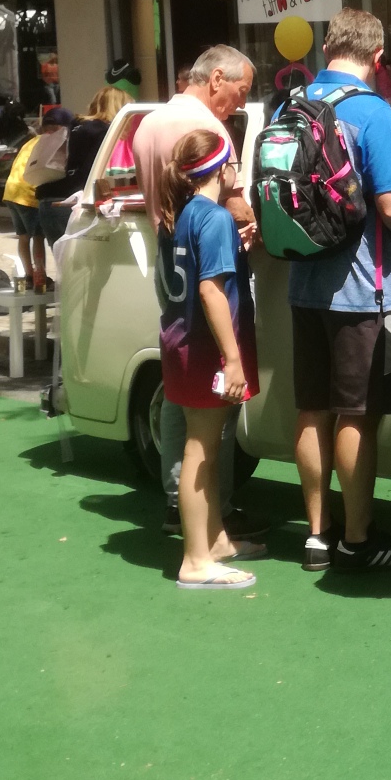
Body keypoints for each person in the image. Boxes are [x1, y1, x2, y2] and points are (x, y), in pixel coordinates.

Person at [290, 9, 391, 574]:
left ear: (327, 48)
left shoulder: (291, 105)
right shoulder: (374, 112)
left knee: (312, 410)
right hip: (360, 289)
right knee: (356, 415)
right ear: (376, 60)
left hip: (303, 284)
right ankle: (358, 537)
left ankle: (316, 536)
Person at [130, 45, 264, 550]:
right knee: (210, 421)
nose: (238, 102)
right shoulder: (207, 132)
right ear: (217, 79)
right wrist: (245, 223)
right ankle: (213, 517)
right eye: (241, 90)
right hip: (205, 273)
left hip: (170, 266)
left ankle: (179, 503)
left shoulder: (148, 123)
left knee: (179, 394)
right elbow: (233, 211)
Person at [155, 127, 260, 590]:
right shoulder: (213, 217)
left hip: (180, 342)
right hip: (204, 349)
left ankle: (214, 540)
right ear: (223, 169)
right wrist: (232, 360)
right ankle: (195, 559)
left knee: (209, 448)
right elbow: (210, 290)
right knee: (200, 449)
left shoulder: (181, 214)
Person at [40, 86, 124, 243]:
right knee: (82, 263)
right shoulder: (103, 130)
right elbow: (91, 172)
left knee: (64, 263)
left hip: (48, 198)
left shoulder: (75, 125)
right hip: (72, 202)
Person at [2, 121, 51, 292]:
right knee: (38, 236)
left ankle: (29, 275)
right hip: (27, 194)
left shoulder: (29, 142)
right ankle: (40, 276)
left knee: (23, 236)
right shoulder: (48, 144)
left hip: (11, 191)